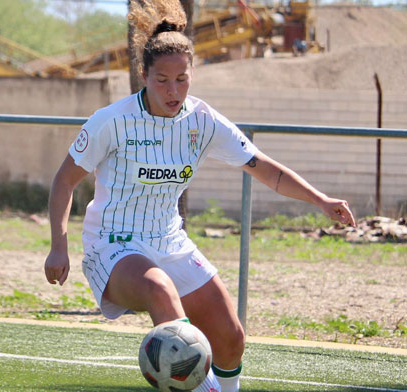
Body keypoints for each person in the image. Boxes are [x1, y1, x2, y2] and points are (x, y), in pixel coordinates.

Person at [43, 0, 355, 391]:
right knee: (162, 295)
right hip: (113, 245)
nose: (173, 90)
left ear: (193, 74)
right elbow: (63, 181)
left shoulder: (202, 121)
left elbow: (265, 168)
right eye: (162, 80)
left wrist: (321, 200)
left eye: (182, 79)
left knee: (230, 338)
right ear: (143, 75)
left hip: (170, 241)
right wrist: (59, 245)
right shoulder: (112, 121)